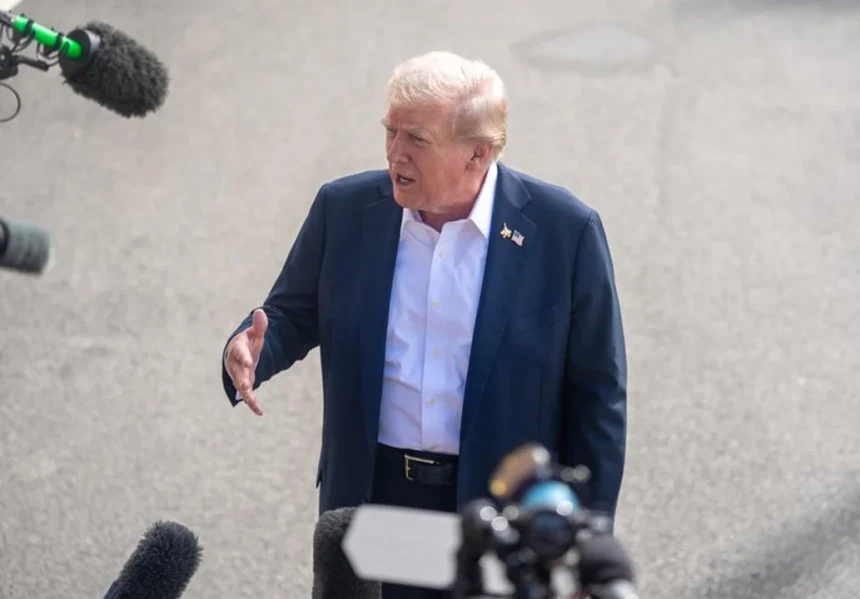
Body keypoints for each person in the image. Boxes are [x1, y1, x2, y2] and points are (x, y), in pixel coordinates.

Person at [221, 50, 627, 598]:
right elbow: (291, 313)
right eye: (390, 133)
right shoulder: (345, 210)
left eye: (416, 139)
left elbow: (598, 395)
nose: (394, 154)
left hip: (496, 515)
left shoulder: (564, 232)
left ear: (476, 155)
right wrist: (248, 352)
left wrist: (586, 542)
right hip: (376, 497)